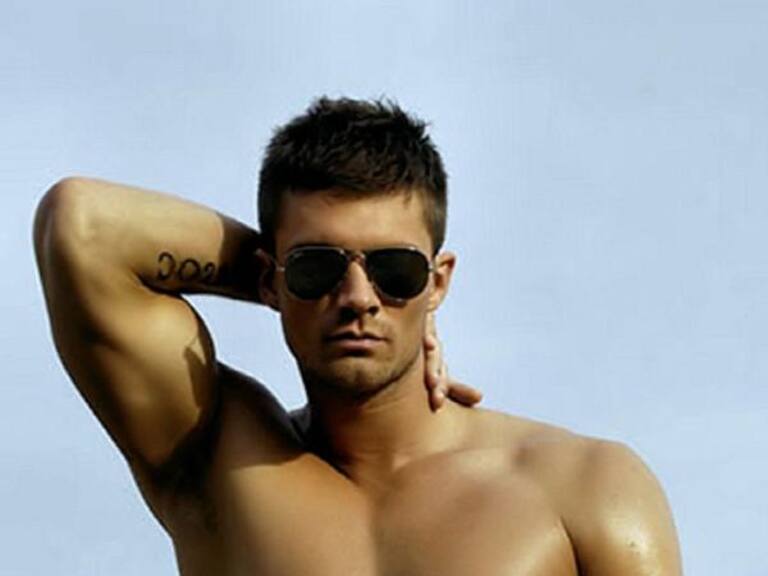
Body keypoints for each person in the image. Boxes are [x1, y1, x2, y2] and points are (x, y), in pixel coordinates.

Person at [34, 97, 682, 575]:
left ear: (439, 281)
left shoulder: (584, 488)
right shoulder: (219, 466)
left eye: (394, 269)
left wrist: (313, 275)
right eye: (317, 268)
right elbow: (81, 226)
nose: (358, 299)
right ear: (267, 279)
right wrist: (294, 278)